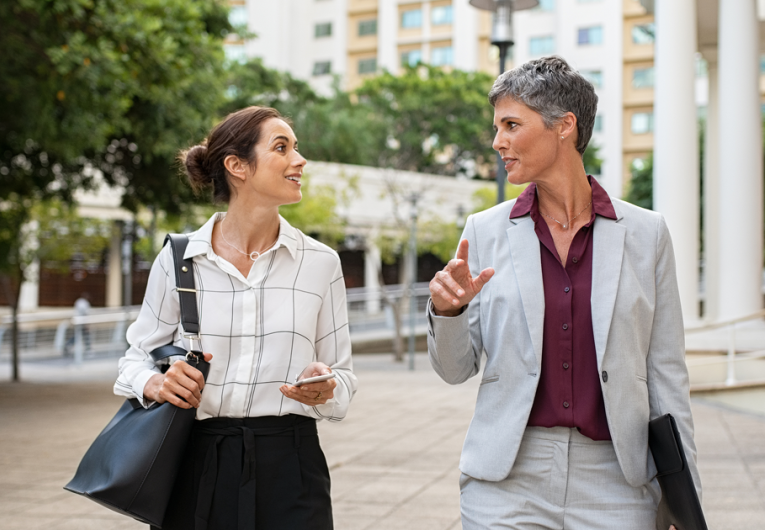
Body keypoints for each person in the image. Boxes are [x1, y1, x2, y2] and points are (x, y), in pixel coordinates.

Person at [426, 56, 699, 530]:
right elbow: (455, 370)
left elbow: (666, 375)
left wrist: (683, 495)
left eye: (512, 125)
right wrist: (447, 313)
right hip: (507, 479)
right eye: (497, 127)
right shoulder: (484, 231)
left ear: (565, 127)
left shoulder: (646, 233)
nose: (498, 142)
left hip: (617, 480)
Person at [114, 106, 357, 529]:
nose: (300, 160)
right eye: (282, 148)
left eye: (297, 148)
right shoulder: (179, 259)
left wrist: (327, 387)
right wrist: (155, 381)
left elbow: (344, 376)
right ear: (237, 166)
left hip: (292, 465)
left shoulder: (321, 263)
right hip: (195, 461)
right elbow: (135, 358)